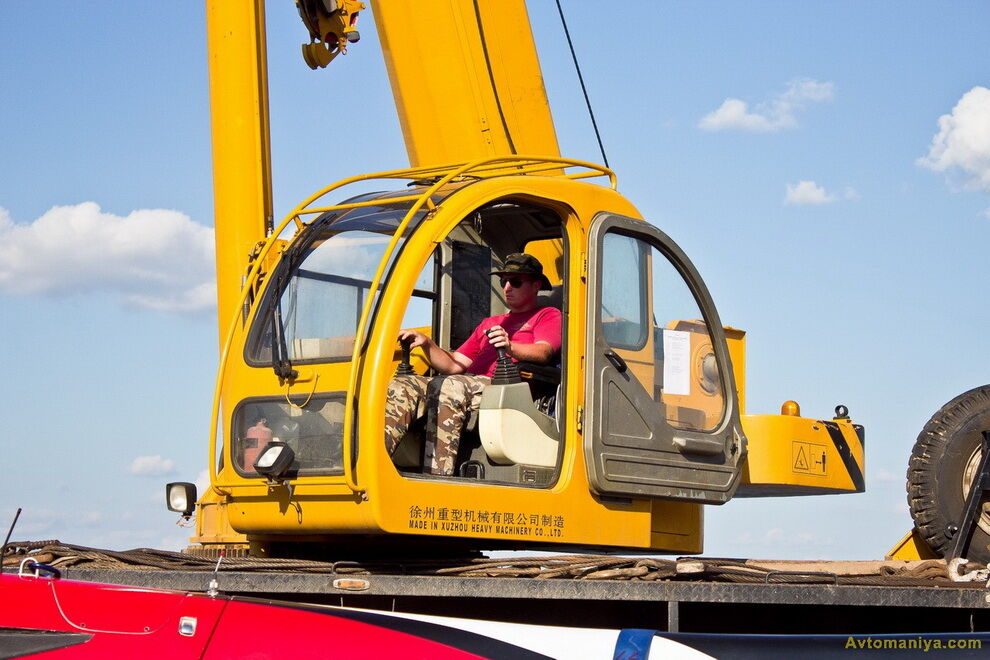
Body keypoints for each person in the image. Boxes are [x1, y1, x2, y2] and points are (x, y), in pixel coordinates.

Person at [384, 253, 562, 476]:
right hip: (467, 383)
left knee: (448, 386)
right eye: (503, 281)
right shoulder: (491, 323)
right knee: (403, 385)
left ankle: (437, 477)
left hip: (506, 386)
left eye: (515, 282)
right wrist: (427, 344)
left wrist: (510, 347)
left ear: (536, 285)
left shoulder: (547, 315)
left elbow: (544, 351)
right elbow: (454, 365)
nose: (507, 287)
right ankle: (375, 464)